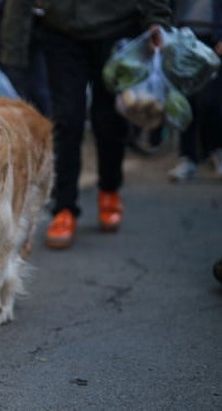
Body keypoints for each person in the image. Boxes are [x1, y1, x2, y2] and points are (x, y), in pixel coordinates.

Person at [37, 0, 172, 249]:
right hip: (61, 28)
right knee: (67, 120)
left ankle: (109, 189)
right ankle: (63, 208)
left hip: (118, 28)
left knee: (109, 120)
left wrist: (157, 19)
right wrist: (13, 46)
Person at [167, 0, 222, 182]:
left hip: (213, 36)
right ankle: (188, 158)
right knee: (186, 100)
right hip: (183, 34)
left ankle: (214, 149)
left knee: (210, 100)